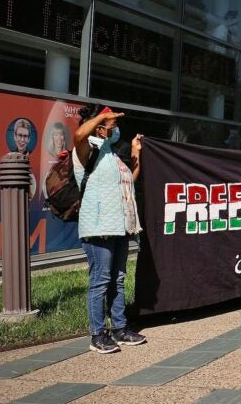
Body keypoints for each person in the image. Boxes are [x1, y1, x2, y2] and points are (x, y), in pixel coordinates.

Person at [74, 104, 146, 354]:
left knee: (118, 279)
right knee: (100, 281)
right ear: (98, 124)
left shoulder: (113, 154)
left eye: (114, 123)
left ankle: (119, 328)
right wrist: (102, 117)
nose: (114, 127)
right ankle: (97, 334)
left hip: (120, 226)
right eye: (109, 123)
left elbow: (129, 182)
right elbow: (79, 135)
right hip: (98, 228)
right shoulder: (86, 149)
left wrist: (136, 153)